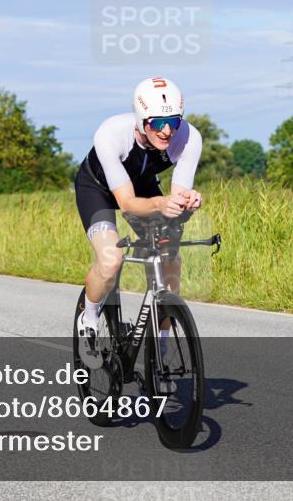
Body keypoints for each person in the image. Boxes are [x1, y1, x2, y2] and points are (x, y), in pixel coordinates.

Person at [73, 77, 203, 369]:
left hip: (143, 187)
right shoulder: (110, 134)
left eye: (174, 121)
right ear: (141, 119)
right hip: (99, 191)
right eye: (158, 123)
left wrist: (188, 202)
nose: (167, 131)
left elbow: (178, 196)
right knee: (111, 259)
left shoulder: (190, 137)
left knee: (170, 256)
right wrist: (161, 202)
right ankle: (90, 319)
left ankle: (161, 341)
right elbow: (127, 204)